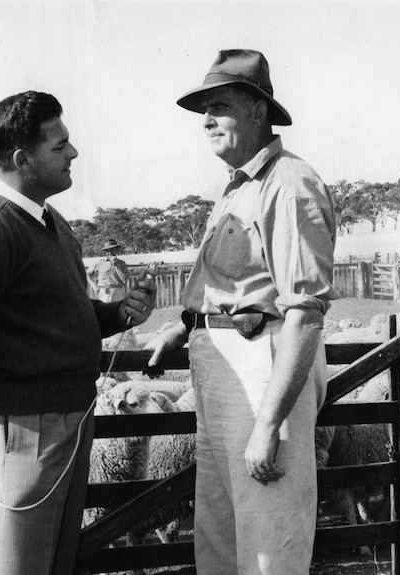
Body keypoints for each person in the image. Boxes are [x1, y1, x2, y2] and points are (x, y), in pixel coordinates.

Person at [0, 90, 156, 575]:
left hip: (67, 420)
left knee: (52, 565)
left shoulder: (49, 222)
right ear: (21, 159)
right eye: (60, 145)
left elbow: (55, 316)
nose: (73, 153)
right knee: (15, 566)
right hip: (18, 431)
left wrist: (117, 314)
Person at [148, 49, 339, 575]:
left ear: (258, 112)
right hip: (220, 366)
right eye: (203, 109)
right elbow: (230, 282)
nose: (206, 120)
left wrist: (268, 423)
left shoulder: (289, 183)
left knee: (268, 537)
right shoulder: (239, 187)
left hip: (262, 365)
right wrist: (185, 327)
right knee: (220, 532)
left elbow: (303, 312)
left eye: (220, 106)